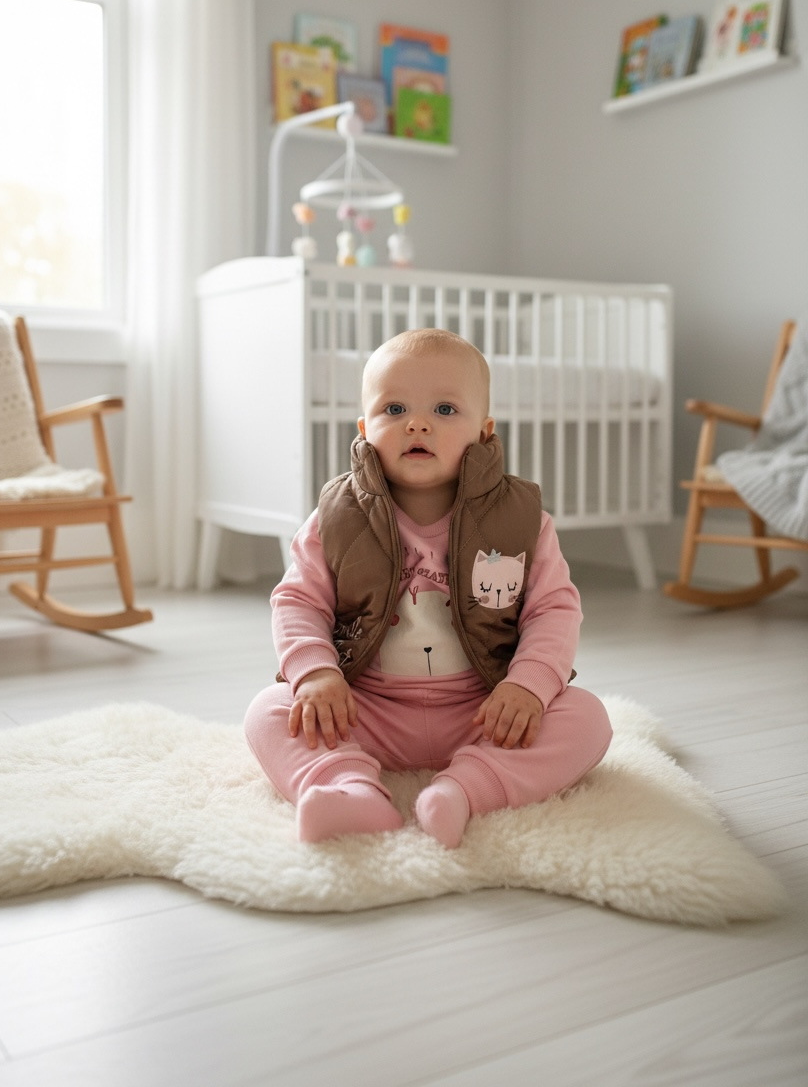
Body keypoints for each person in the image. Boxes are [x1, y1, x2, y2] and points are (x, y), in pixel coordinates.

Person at [244, 328, 612, 847]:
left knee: (587, 718)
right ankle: (350, 790)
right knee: (270, 711)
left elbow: (553, 611)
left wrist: (526, 686)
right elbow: (298, 600)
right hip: (366, 706)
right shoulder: (336, 519)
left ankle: (465, 791)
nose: (417, 423)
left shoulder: (521, 522)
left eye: (444, 410)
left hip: (483, 707)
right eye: (394, 409)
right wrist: (315, 675)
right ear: (364, 427)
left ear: (484, 432)